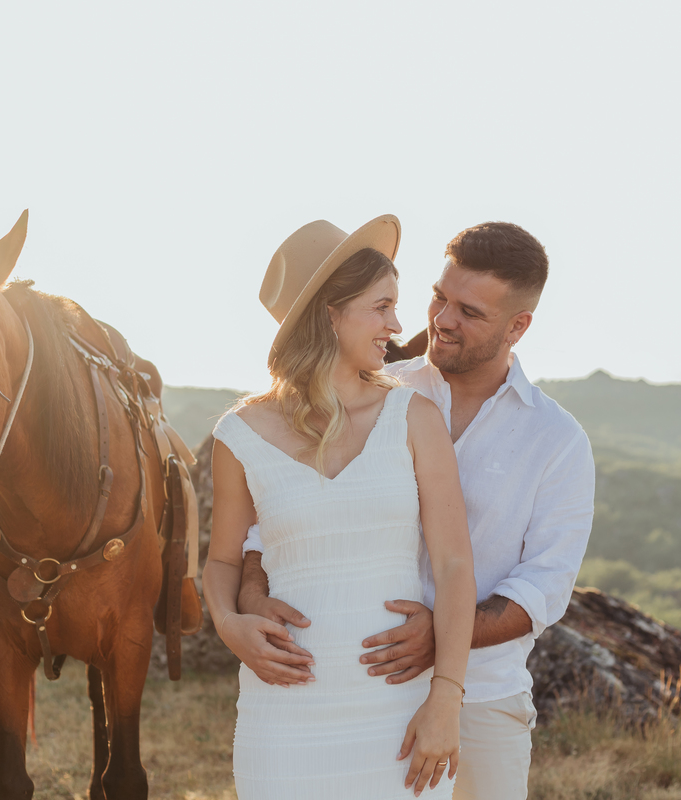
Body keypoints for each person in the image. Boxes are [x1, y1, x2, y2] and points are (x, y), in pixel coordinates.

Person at [238, 221, 596, 800]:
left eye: (470, 312)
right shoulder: (369, 392)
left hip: (481, 698)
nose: (442, 320)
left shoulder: (557, 440)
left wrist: (442, 637)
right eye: (439, 296)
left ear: (518, 326)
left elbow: (543, 590)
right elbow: (270, 520)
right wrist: (251, 600)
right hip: (358, 690)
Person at [202, 215, 477, 799]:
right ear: (330, 313)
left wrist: (445, 698)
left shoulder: (415, 418)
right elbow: (223, 562)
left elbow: (455, 565)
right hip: (282, 718)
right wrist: (230, 626)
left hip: (399, 715)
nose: (398, 326)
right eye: (381, 307)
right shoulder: (239, 435)